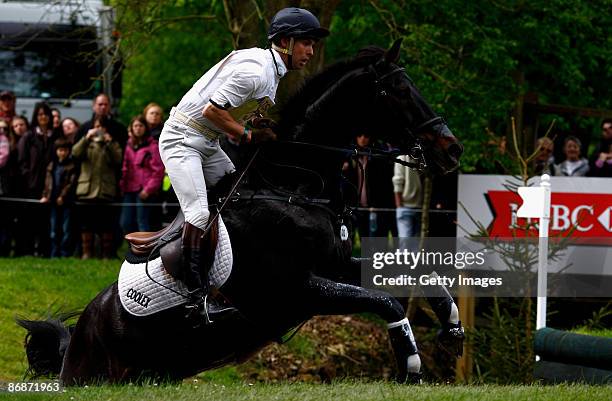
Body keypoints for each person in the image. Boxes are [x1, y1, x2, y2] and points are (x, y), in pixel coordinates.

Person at [158, 7, 329, 322]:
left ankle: (234, 273)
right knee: (198, 212)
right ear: (287, 42)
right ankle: (195, 298)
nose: (311, 51)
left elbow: (234, 112)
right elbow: (212, 111)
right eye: (307, 43)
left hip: (207, 142)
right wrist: (248, 134)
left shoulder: (271, 73)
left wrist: (263, 127)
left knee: (239, 196)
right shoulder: (256, 71)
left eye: (312, 45)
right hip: (182, 139)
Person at [72, 116, 123, 259]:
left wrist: (110, 142)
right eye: (96, 127)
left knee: (106, 224)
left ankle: (106, 254)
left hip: (105, 190)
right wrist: (86, 138)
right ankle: (86, 253)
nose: (98, 130)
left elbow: (118, 159)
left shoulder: (112, 144)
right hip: (86, 190)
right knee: (86, 225)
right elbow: (75, 153)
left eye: (101, 127)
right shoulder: (86, 142)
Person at [17, 102, 59, 256]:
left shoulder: (55, 135)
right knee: (29, 220)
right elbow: (22, 161)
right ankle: (27, 250)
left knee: (46, 222)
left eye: (46, 114)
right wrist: (28, 178)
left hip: (50, 184)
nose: (43, 117)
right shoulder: (29, 136)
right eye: (40, 114)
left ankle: (44, 251)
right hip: (31, 185)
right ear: (36, 116)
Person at [344, 133, 397, 243]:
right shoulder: (350, 157)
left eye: (366, 136)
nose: (363, 139)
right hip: (355, 207)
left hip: (373, 207)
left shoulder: (376, 158)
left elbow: (383, 183)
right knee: (352, 239)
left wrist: (376, 204)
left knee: (374, 239)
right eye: (360, 136)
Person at [120, 115, 164, 233]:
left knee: (142, 223)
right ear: (132, 128)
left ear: (145, 128)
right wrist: (122, 186)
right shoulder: (128, 145)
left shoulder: (152, 146)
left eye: (141, 126)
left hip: (144, 190)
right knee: (126, 222)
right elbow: (124, 168)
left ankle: (144, 251)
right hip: (129, 189)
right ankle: (132, 250)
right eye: (135, 126)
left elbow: (158, 170)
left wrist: (148, 190)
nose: (138, 128)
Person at [41, 138, 77, 257]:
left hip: (66, 202)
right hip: (52, 202)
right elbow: (47, 183)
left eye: (65, 150)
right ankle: (53, 253)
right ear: (56, 151)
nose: (62, 153)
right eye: (60, 150)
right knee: (53, 229)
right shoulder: (51, 165)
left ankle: (64, 253)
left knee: (66, 229)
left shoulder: (72, 166)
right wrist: (45, 196)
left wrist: (63, 196)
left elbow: (70, 184)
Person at [392, 154, 423, 249]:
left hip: (421, 207)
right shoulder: (402, 158)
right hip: (405, 207)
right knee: (405, 244)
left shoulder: (423, 159)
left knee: (416, 246)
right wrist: (399, 206)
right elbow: (398, 183)